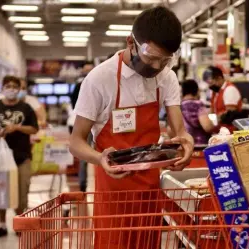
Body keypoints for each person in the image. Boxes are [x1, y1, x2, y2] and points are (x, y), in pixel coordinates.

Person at [69, 6, 194, 248]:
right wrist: (99, 158)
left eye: (165, 60)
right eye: (151, 58)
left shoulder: (166, 77)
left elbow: (178, 131)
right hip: (114, 193)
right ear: (131, 42)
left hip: (149, 192)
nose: (156, 67)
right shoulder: (99, 80)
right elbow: (76, 142)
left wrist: (184, 142)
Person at [0, 75, 38, 239]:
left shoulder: (26, 108)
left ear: (20, 89)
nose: (11, 89)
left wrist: (18, 128)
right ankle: (1, 225)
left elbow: (34, 129)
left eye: (15, 86)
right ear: (2, 88)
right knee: (0, 191)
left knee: (22, 193)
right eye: (8, 86)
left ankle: (19, 223)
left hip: (22, 156)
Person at [68, 62, 94, 192]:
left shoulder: (100, 83)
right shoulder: (79, 86)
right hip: (86, 125)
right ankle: (82, 185)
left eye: (91, 70)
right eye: (86, 70)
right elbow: (75, 107)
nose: (88, 73)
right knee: (85, 156)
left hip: (102, 125)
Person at [203, 66, 242, 131]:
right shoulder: (215, 92)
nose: (209, 86)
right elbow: (212, 111)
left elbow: (229, 114)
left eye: (211, 83)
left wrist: (212, 122)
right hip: (219, 130)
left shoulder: (230, 90)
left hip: (230, 131)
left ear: (219, 78)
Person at [179, 79, 215, 144]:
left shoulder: (177, 106)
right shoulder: (197, 105)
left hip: (184, 145)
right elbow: (207, 127)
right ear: (196, 90)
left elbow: (170, 130)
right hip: (199, 145)